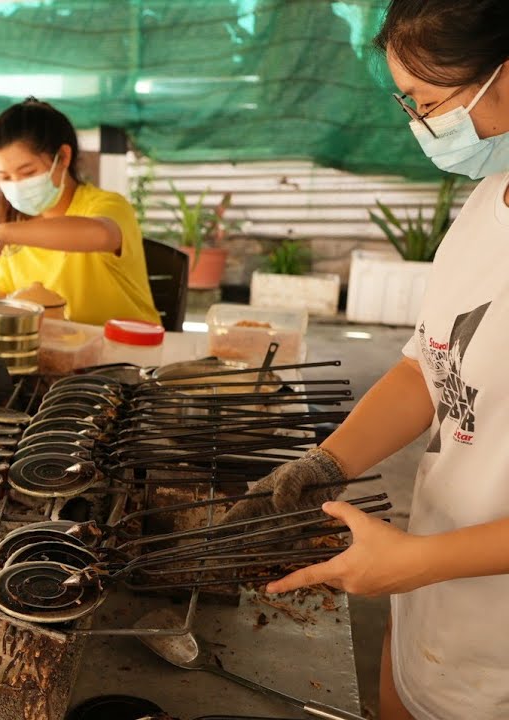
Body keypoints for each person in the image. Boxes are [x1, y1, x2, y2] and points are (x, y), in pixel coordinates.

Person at [223, 2, 509, 718]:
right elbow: (426, 368)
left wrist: (413, 563)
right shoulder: (487, 202)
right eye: (408, 103)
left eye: (432, 104)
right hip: (432, 609)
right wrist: (326, 463)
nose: (419, 125)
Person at [0, 98, 160, 327]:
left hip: (127, 354)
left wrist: (3, 233)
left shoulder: (108, 206)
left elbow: (100, 234)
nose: (17, 185)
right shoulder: (16, 234)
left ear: (63, 157)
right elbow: (3, 303)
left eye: (28, 172)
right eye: (5, 177)